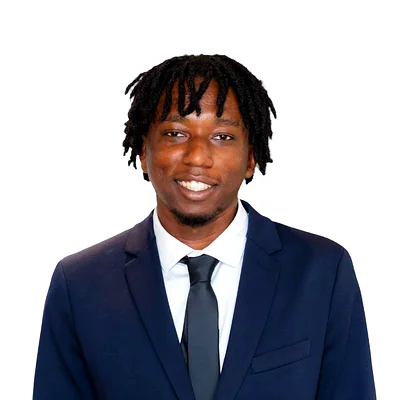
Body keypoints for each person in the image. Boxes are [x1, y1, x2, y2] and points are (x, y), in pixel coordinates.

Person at [33, 55, 376, 399]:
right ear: (142, 151)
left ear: (251, 157)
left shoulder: (322, 272)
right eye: (175, 133)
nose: (197, 157)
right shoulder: (80, 285)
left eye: (222, 136)